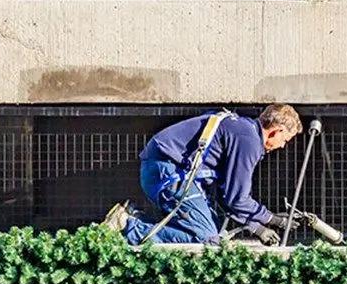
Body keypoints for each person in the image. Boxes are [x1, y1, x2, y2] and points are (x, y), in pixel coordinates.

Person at [103, 104, 302, 245]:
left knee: (213, 228)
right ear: (277, 130)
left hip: (161, 170)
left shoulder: (242, 129)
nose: (283, 146)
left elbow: (226, 197)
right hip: (169, 173)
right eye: (286, 139)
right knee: (207, 240)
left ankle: (135, 217)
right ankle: (128, 227)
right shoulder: (248, 140)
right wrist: (272, 219)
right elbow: (237, 198)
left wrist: (256, 227)